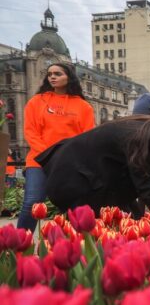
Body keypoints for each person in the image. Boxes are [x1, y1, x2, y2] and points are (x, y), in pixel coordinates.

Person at [38, 104, 150, 215]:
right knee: (89, 230)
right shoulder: (140, 138)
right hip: (74, 175)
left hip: (97, 175)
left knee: (127, 219)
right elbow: (146, 189)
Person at [18, 63, 95, 231]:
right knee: (31, 203)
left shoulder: (84, 107)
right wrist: (49, 155)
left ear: (69, 77)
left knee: (74, 206)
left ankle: (75, 246)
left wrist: (68, 158)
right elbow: (30, 132)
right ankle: (17, 247)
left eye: (58, 74)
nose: (52, 77)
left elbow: (87, 138)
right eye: (50, 74)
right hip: (38, 161)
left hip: (69, 164)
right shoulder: (36, 102)